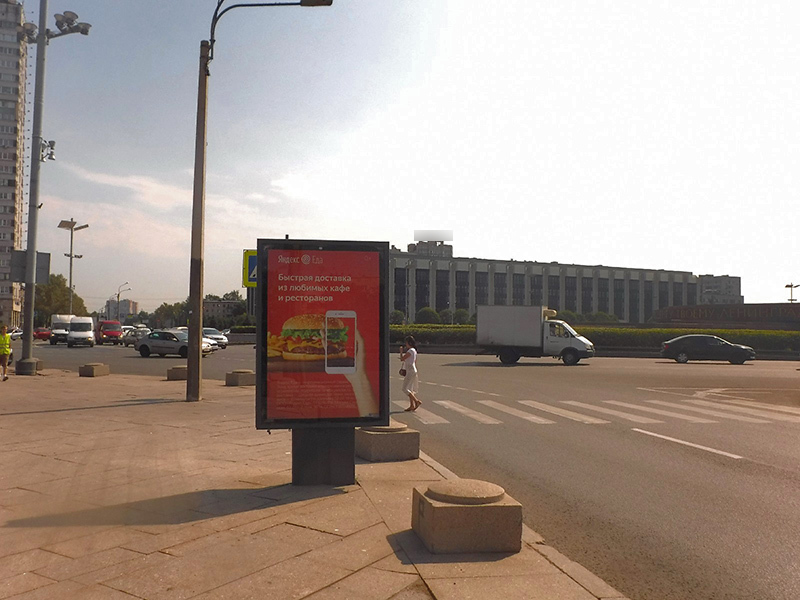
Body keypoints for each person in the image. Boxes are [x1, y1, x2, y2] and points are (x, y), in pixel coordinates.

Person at [400, 335, 421, 411]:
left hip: (410, 370)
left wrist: (401, 352)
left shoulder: (410, 351)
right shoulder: (414, 350)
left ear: (409, 343)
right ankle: (412, 405)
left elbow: (402, 359)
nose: (406, 345)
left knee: (404, 389)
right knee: (410, 388)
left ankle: (416, 401)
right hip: (413, 369)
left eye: (406, 343)